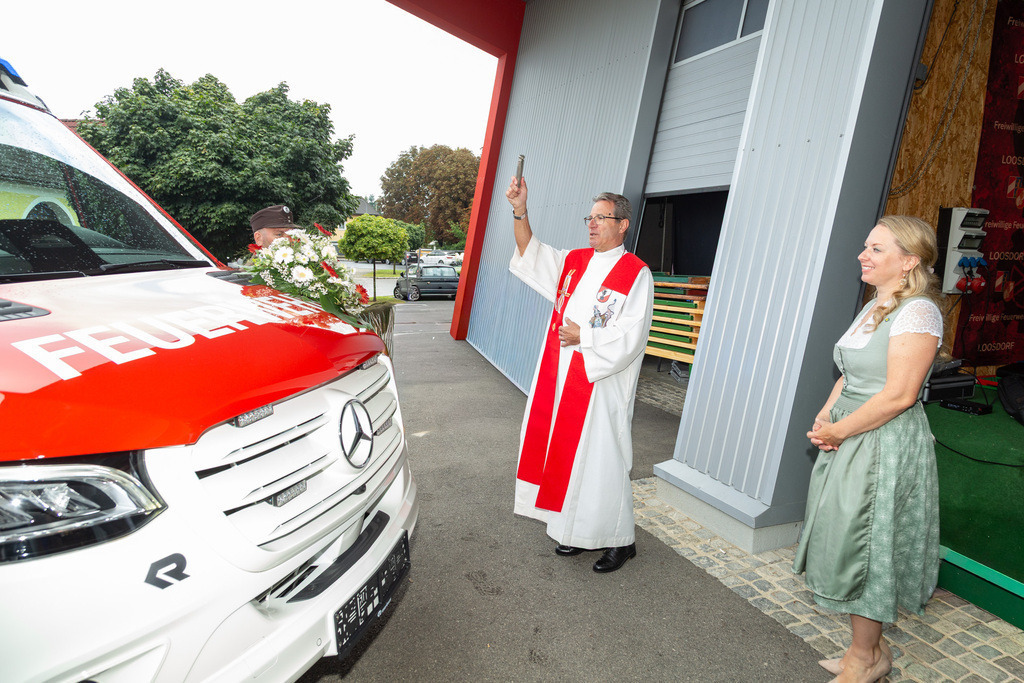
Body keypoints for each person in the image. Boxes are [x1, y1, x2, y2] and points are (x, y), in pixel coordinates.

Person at [793, 215, 944, 682]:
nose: (864, 254)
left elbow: (899, 395)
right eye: (866, 246)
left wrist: (841, 432)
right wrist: (825, 414)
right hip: (852, 431)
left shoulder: (918, 312)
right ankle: (870, 651)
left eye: (877, 249)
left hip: (881, 440)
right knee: (849, 539)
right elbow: (850, 373)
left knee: (866, 545)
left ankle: (864, 661)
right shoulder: (876, 304)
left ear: (909, 261)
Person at [506, 176, 654, 574]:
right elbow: (530, 252)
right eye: (588, 218)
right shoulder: (574, 261)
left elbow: (632, 334)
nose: (591, 224)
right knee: (569, 459)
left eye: (600, 218)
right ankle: (572, 529)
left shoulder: (635, 273)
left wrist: (584, 335)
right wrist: (520, 209)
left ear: (622, 224)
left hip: (601, 380)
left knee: (602, 460)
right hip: (559, 376)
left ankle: (620, 540)